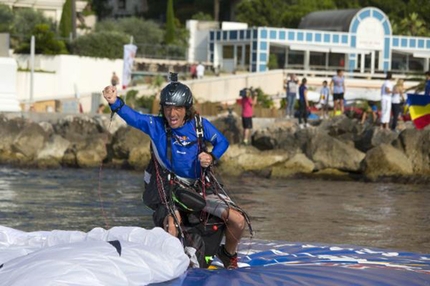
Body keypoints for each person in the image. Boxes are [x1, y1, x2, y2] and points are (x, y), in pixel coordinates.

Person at [102, 73, 248, 269]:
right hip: (171, 187)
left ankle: (228, 254)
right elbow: (133, 117)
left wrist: (212, 156)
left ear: (186, 109)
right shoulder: (155, 125)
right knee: (172, 224)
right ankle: (174, 267)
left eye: (177, 108)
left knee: (238, 220)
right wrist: (114, 102)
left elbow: (222, 141)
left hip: (199, 186)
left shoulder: (199, 125)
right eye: (168, 108)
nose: (172, 113)